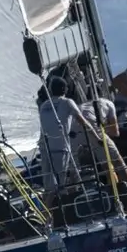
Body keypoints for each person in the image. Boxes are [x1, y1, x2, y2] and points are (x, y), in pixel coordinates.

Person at [36, 78, 89, 208]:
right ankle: (56, 212)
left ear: (50, 90)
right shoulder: (67, 102)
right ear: (65, 89)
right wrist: (96, 134)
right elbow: (83, 121)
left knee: (49, 185)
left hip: (44, 148)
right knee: (60, 184)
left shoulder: (44, 105)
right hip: (60, 148)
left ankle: (47, 213)